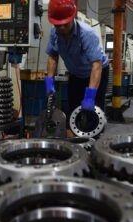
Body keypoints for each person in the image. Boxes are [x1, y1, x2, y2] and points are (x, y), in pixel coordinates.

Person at [44, 0, 109, 137]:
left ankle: (94, 140)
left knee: (93, 109)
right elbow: (52, 57)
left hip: (96, 72)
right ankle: (73, 139)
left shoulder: (87, 34)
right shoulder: (54, 32)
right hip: (75, 73)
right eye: (57, 24)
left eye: (64, 24)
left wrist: (90, 96)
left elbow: (96, 66)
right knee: (72, 106)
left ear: (73, 17)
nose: (60, 28)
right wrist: (49, 83)